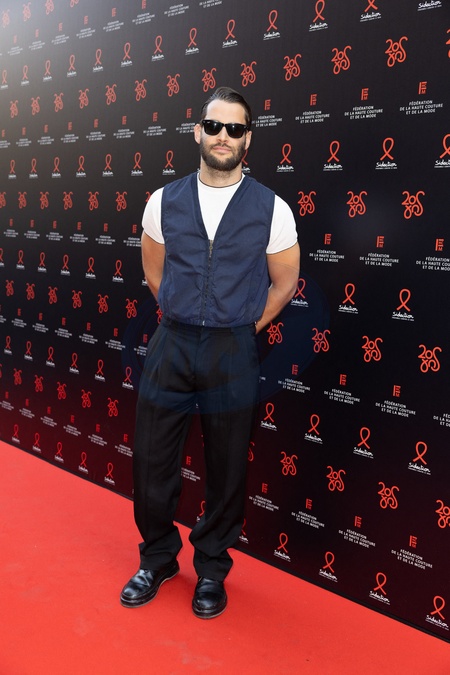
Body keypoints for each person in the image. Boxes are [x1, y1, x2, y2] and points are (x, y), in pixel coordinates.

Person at [120, 86, 300, 618]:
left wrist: (242, 327)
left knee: (227, 468)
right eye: (214, 126)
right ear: (198, 131)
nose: (224, 136)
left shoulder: (273, 209)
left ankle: (212, 570)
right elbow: (154, 272)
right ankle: (157, 558)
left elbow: (285, 283)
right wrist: (183, 313)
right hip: (171, 342)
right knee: (152, 461)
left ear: (248, 140)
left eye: (235, 128)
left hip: (232, 350)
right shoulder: (163, 201)